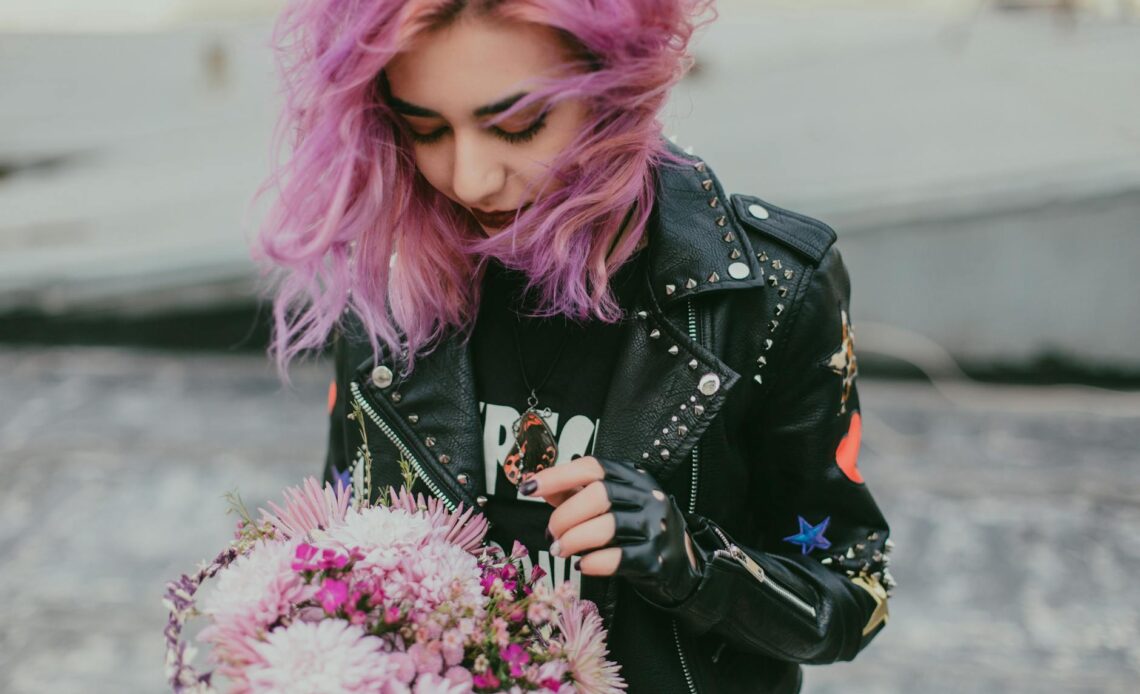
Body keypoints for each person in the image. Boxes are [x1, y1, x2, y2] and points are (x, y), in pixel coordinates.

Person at [253, 0, 894, 691]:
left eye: (519, 125)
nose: (470, 178)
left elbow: (853, 595)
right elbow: (336, 547)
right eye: (425, 130)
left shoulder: (769, 291)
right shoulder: (388, 282)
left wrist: (692, 565)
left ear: (616, 88)